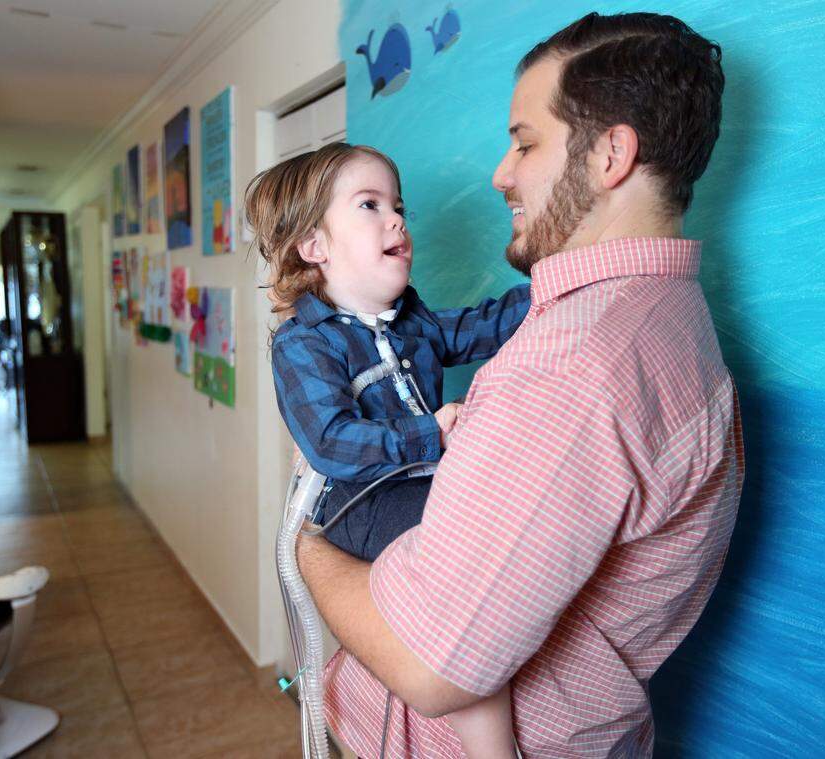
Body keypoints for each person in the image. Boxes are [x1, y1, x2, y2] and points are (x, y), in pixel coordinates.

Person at [296, 12, 745, 758]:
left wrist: (309, 548)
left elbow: (430, 664)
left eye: (526, 142)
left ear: (611, 155)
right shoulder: (666, 318)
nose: (501, 172)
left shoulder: (574, 365)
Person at [246, 142, 530, 758]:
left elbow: (481, 326)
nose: (397, 220)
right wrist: (433, 432)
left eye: (397, 206)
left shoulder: (410, 320)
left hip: (422, 481)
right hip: (361, 499)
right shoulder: (303, 345)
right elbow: (330, 441)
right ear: (314, 246)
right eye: (369, 206)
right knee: (461, 606)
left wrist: (557, 279)